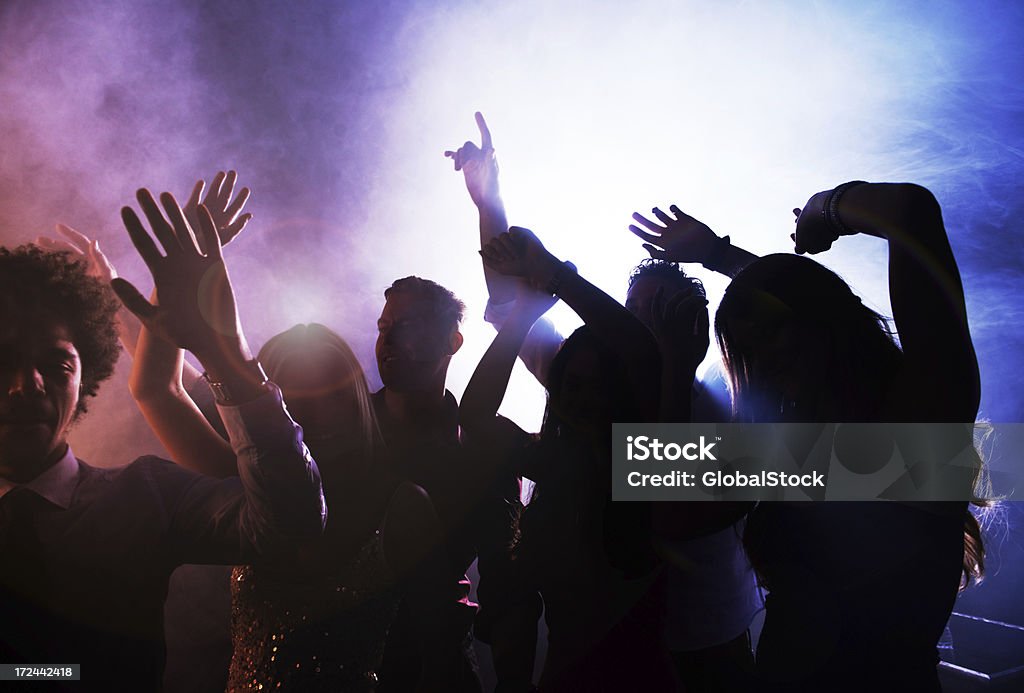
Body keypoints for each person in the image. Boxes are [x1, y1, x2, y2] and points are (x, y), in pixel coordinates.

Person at [448, 114, 759, 691]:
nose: (650, 326)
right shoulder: (585, 390)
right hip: (607, 653)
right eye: (640, 310)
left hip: (715, 642)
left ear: (698, 324)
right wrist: (488, 200)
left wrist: (721, 256)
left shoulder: (723, 401)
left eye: (669, 311)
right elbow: (510, 300)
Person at [121, 183, 456, 691]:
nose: (311, 411)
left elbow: (443, 652)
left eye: (329, 389)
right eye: (290, 395)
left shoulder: (405, 505)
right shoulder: (246, 485)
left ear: (359, 401)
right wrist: (174, 282)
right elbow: (157, 389)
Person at [0, 190, 325, 692]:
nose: (28, 385)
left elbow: (291, 524)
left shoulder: (144, 495)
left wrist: (222, 348)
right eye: (5, 360)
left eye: (56, 363)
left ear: (85, 377)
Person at [711, 182, 986, 690]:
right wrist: (718, 256)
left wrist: (823, 210)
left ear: (823, 321)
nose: (767, 361)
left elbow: (910, 210)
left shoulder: (919, 421)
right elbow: (795, 305)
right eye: (749, 353)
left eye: (775, 333)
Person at [465, 225, 677, 691]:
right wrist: (524, 312)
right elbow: (475, 416)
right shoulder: (554, 461)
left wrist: (556, 275)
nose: (585, 399)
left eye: (600, 384)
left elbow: (641, 356)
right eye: (573, 385)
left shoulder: (643, 461)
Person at [373, 276, 535, 693]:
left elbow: (508, 587)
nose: (388, 338)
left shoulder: (481, 449)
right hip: (335, 660)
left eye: (406, 326)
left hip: (436, 669)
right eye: (383, 326)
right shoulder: (343, 427)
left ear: (453, 342)